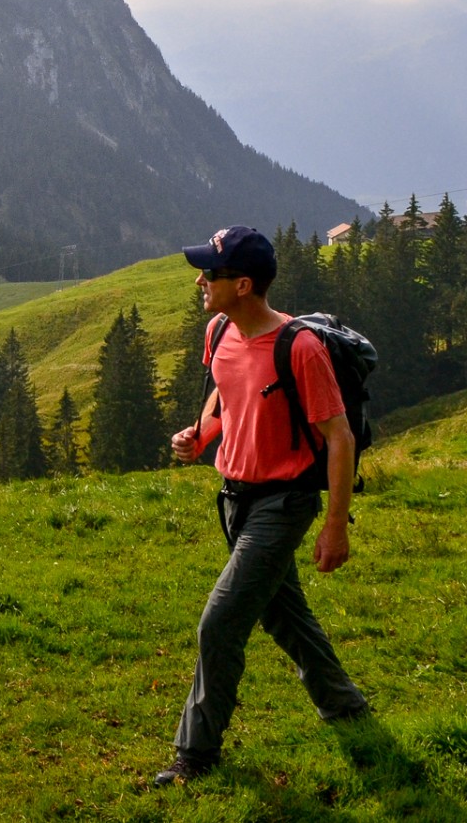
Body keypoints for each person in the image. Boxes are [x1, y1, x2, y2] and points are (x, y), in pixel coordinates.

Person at [157, 225, 369, 786]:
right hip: (234, 498)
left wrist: (336, 526)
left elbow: (340, 437)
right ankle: (348, 709)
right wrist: (200, 435)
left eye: (212, 273)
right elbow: (228, 394)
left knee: (220, 623)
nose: (201, 280)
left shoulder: (299, 348)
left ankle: (194, 757)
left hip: (284, 501)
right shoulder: (219, 328)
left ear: (244, 284)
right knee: (284, 614)